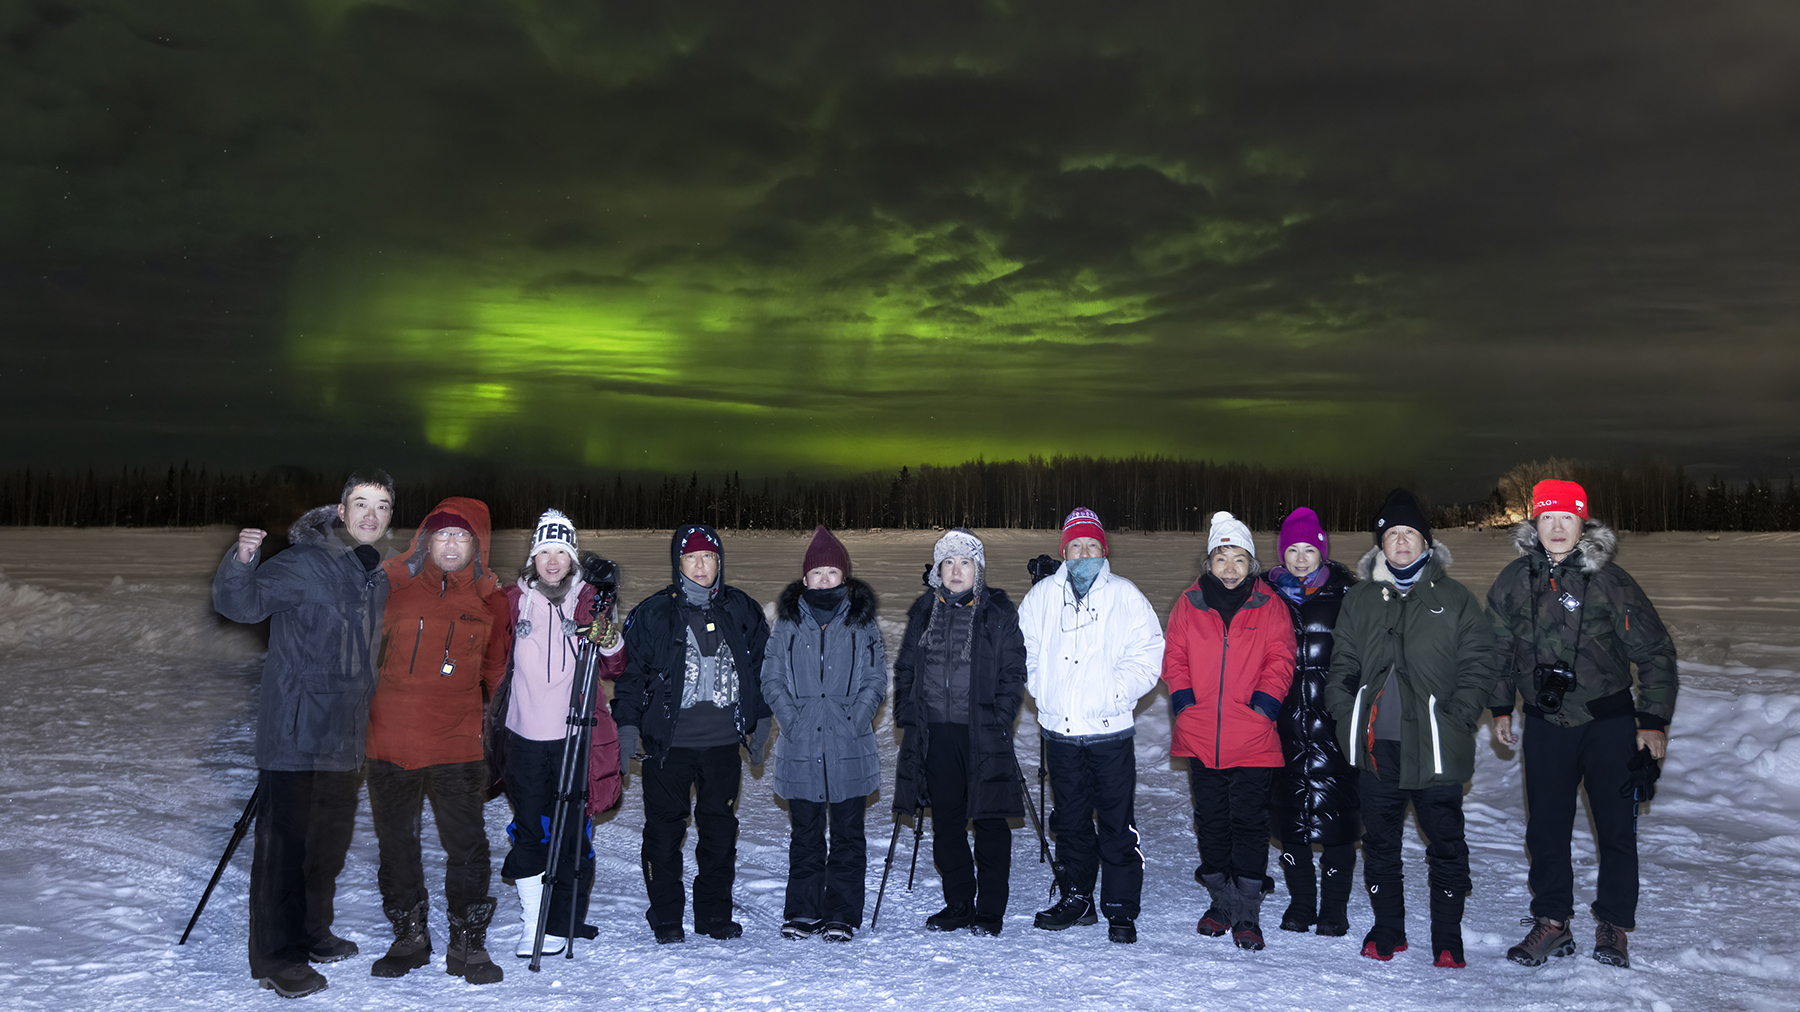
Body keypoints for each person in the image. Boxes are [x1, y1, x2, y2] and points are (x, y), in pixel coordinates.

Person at [211, 470, 395, 998]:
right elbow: (240, 605)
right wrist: (242, 562)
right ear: (340, 512)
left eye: (381, 507)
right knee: (284, 853)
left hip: (345, 736)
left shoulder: (373, 576)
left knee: (326, 847)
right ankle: (277, 958)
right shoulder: (305, 563)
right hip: (295, 733)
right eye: (360, 504)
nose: (370, 515)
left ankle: (313, 932)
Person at [1487, 480, 1677, 969]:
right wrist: (1500, 707)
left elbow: (1654, 652)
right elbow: (1497, 652)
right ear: (1535, 523)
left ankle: (1613, 924)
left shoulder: (1611, 581)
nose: (1556, 527)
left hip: (1608, 722)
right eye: (1547, 517)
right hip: (1546, 724)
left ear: (1581, 524)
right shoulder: (1513, 579)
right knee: (1546, 829)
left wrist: (1652, 720)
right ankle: (1552, 922)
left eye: (1566, 518)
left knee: (1615, 829)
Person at [1325, 489, 1500, 967]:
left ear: (1426, 541)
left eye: (1410, 534)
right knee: (1379, 840)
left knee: (1445, 841)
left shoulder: (1455, 598)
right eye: (1392, 534)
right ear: (1380, 544)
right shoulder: (1360, 598)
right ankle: (1388, 929)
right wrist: (1343, 708)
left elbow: (1480, 664)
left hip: (1437, 746)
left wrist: (1460, 714)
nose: (1401, 542)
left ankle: (1447, 937)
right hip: (1376, 744)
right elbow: (1343, 659)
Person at [363, 497, 509, 984]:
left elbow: (496, 673)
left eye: (462, 536)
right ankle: (409, 936)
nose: (451, 544)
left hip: (456, 745)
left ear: (477, 544)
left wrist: (499, 732)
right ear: (426, 541)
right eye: (443, 535)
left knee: (467, 846)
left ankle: (468, 941)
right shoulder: (393, 587)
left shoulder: (492, 601)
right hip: (389, 742)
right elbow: (356, 649)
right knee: (396, 843)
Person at [613, 524, 771, 944]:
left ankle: (714, 915)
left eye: (709, 557)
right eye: (692, 557)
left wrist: (761, 720)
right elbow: (631, 677)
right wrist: (627, 727)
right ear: (678, 563)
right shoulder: (653, 613)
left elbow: (763, 672)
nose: (701, 566)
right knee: (664, 832)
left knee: (719, 832)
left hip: (722, 746)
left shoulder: (742, 609)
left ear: (719, 561)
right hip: (669, 747)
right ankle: (666, 916)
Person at [1018, 508, 1165, 944]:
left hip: (1110, 732)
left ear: (1104, 550)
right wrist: (1043, 688)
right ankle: (1077, 898)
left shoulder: (1125, 595)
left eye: (1093, 546)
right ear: (1064, 551)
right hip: (1060, 732)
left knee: (1117, 824)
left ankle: (1120, 908)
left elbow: (1148, 654)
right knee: (1071, 821)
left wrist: (1114, 692)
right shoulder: (1043, 595)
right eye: (1076, 546)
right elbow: (1022, 649)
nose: (1084, 553)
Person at [490, 509, 626, 958]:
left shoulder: (589, 600)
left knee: (572, 833)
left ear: (572, 558)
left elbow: (617, 665)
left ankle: (564, 919)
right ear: (533, 556)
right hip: (523, 737)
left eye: (561, 552)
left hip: (574, 737)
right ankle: (534, 924)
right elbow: (489, 656)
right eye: (544, 551)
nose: (552, 561)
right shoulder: (512, 599)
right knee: (531, 829)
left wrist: (609, 637)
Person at [1162, 510, 1296, 951]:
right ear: (1210, 562)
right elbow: (1175, 658)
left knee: (1250, 825)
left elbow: (1281, 660)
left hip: (1252, 735)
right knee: (1212, 822)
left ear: (1252, 564)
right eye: (1222, 558)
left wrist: (1263, 707)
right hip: (1201, 734)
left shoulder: (1269, 605)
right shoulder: (1189, 602)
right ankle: (1222, 904)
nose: (1231, 568)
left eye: (1240, 559)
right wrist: (1183, 701)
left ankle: (1248, 913)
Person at [892, 528, 1027, 936]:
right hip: (936, 734)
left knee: (988, 820)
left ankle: (989, 910)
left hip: (982, 733)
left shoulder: (997, 613)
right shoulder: (922, 612)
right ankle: (959, 904)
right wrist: (908, 714)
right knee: (947, 822)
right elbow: (905, 669)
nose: (955, 570)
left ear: (977, 570)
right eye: (947, 562)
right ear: (937, 570)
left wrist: (999, 717)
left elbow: (1013, 672)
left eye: (964, 562)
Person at [762, 526, 887, 942]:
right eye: (817, 573)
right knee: (806, 836)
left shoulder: (862, 623)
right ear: (804, 579)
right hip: (800, 744)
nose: (824, 580)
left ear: (844, 578)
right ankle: (803, 911)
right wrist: (793, 721)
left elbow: (875, 678)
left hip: (848, 744)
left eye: (832, 572)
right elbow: (771, 678)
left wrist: (855, 720)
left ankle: (841, 915)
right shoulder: (787, 623)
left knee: (849, 836)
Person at [1261, 507, 1360, 937]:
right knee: (1290, 822)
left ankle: (1334, 908)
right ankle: (1302, 903)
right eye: (1292, 550)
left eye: (1309, 549)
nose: (1301, 559)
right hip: (1281, 726)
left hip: (1334, 725)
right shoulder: (1266, 594)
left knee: (1338, 821)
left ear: (1322, 551)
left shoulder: (1348, 594)